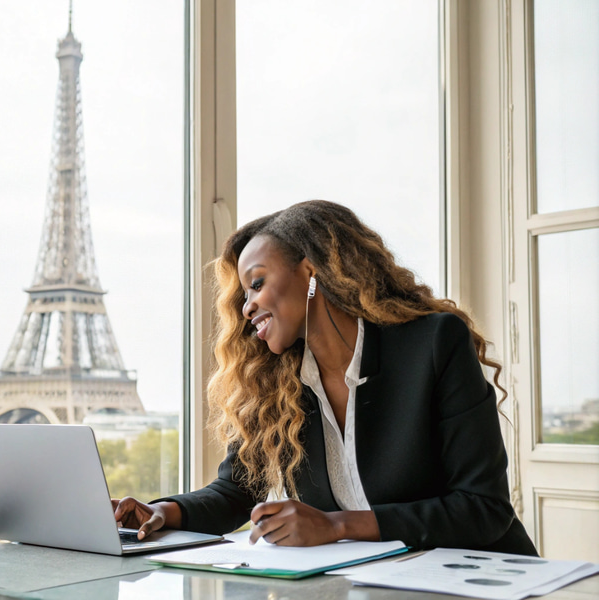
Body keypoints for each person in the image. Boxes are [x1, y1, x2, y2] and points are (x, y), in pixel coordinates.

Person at [113, 200, 537, 554]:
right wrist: (163, 512)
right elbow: (234, 492)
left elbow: (483, 508)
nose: (246, 307)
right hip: (374, 587)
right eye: (244, 295)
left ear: (311, 272)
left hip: (482, 579)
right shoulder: (276, 384)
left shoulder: (433, 344)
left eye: (257, 284)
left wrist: (337, 526)